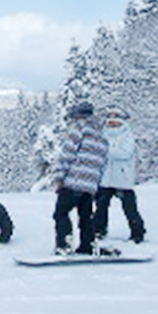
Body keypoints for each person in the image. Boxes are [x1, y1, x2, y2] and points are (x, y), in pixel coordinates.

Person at [52, 101, 108, 255]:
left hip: (73, 181)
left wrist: (59, 177)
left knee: (60, 213)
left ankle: (64, 245)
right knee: (85, 216)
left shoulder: (78, 129)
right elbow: (103, 162)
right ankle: (87, 245)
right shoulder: (102, 134)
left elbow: (67, 154)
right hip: (90, 184)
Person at [94, 106, 146, 243]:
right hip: (105, 178)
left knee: (129, 208)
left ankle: (138, 233)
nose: (112, 123)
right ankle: (99, 230)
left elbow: (125, 153)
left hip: (123, 178)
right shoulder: (102, 134)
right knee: (101, 206)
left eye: (115, 120)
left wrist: (107, 150)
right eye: (110, 120)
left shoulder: (127, 135)